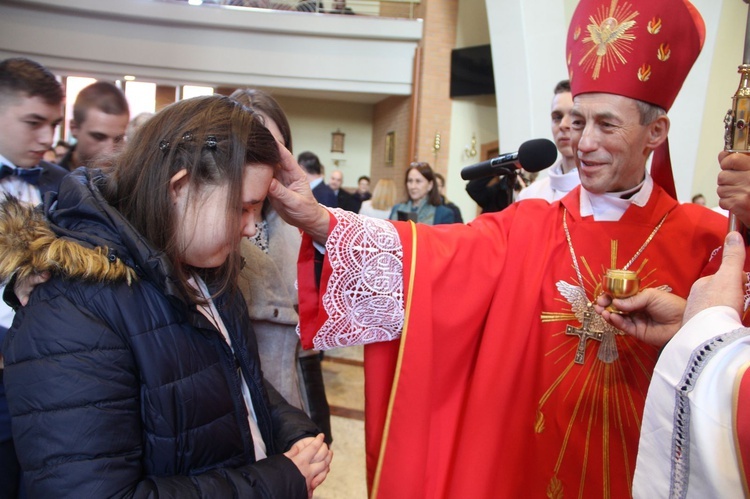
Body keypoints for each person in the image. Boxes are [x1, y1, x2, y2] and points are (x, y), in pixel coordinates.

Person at [266, 0, 730, 496]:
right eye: (577, 121)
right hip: (530, 468)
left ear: (655, 132)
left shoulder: (709, 243)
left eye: (606, 125)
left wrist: (692, 326)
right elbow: (430, 258)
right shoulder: (528, 224)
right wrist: (320, 221)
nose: (583, 142)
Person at [0, 95, 332, 497]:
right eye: (243, 208)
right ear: (180, 187)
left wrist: (291, 431)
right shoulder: (74, 307)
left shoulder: (207, 265)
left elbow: (234, 376)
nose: (251, 228)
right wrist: (277, 481)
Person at [230, 87, 332, 444]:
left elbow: (308, 344)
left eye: (270, 146)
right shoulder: (211, 226)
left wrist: (316, 424)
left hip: (288, 393)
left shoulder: (293, 224)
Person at [0, 56, 69, 499]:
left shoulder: (63, 184)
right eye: (33, 122)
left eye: (54, 123)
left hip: (49, 382)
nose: (47, 138)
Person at [517, 79, 580, 202]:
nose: (563, 125)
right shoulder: (530, 196)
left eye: (574, 116)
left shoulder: (609, 192)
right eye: (557, 117)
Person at [58, 81, 130, 171]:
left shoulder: (131, 182)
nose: (109, 152)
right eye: (98, 137)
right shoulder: (47, 181)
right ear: (74, 128)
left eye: (118, 139)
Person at [389, 162, 455, 224]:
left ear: (430, 185)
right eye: (410, 181)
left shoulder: (443, 214)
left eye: (418, 181)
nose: (413, 186)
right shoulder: (396, 209)